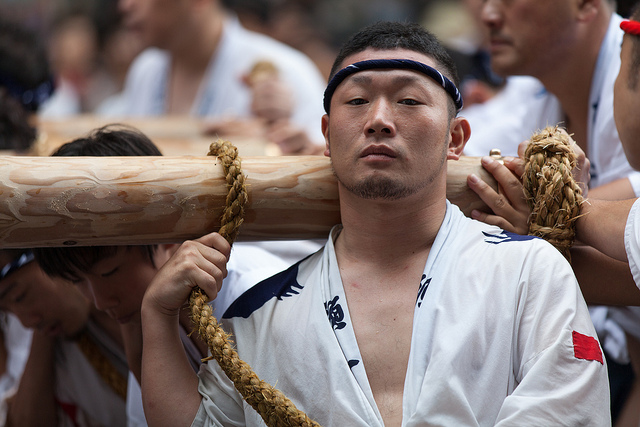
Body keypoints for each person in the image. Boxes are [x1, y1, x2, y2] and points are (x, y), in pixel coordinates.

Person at [140, 21, 610, 426]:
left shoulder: (529, 271)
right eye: (358, 101)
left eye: (408, 101)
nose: (380, 120)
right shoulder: (258, 314)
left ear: (456, 138)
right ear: (327, 135)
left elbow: (569, 409)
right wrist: (156, 318)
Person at [33, 124, 290, 426]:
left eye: (109, 272)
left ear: (168, 236)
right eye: (79, 281)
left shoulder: (253, 296)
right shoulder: (149, 319)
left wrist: (153, 311)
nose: (100, 300)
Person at [116, 0, 327, 155]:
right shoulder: (145, 70)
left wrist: (271, 146)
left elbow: (323, 178)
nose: (125, 5)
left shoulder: (289, 70)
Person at [0, 248, 128, 426]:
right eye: (8, 311)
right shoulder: (65, 347)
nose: (26, 323)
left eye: (20, 297)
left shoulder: (139, 287)